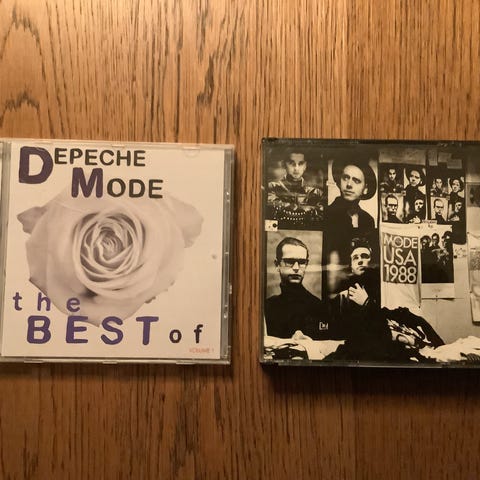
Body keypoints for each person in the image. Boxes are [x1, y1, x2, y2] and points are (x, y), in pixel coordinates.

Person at [264, 237, 331, 339]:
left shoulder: (318, 308)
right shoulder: (267, 307)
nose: (296, 268)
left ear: (307, 264)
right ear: (277, 265)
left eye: (302, 262)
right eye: (290, 261)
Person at [267, 152, 323, 228]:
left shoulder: (316, 193)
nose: (296, 168)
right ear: (284, 165)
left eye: (301, 164)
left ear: (305, 166)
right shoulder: (272, 187)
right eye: (291, 163)